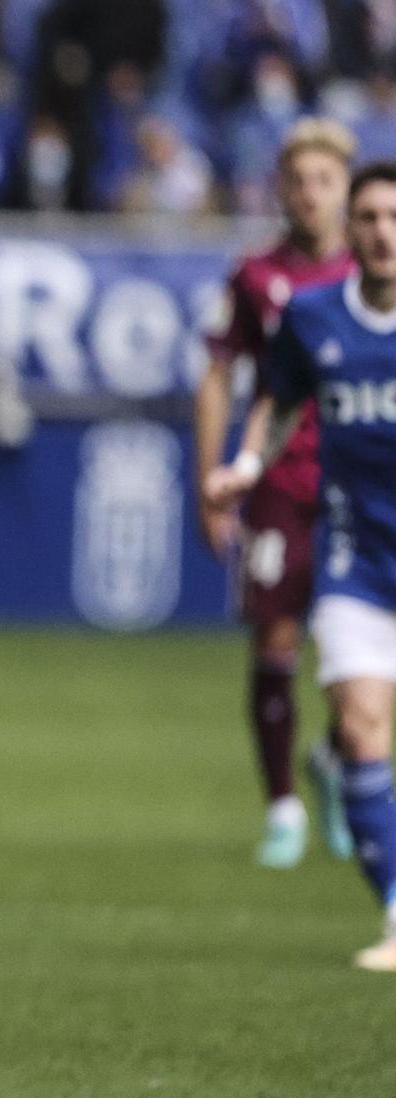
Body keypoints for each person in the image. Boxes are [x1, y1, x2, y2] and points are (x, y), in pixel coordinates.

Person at [207, 160, 396, 970]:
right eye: (370, 218)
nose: (385, 233)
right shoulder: (314, 318)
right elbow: (280, 403)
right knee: (359, 722)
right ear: (348, 233)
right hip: (356, 559)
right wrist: (246, 466)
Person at [194, 118, 356, 870]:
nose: (311, 194)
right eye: (299, 180)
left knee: (363, 656)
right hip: (282, 481)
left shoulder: (375, 276)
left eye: (326, 180)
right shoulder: (256, 278)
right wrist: (212, 478)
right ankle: (284, 803)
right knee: (278, 637)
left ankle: (337, 755)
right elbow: (219, 377)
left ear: (347, 189)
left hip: (364, 480)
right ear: (282, 191)